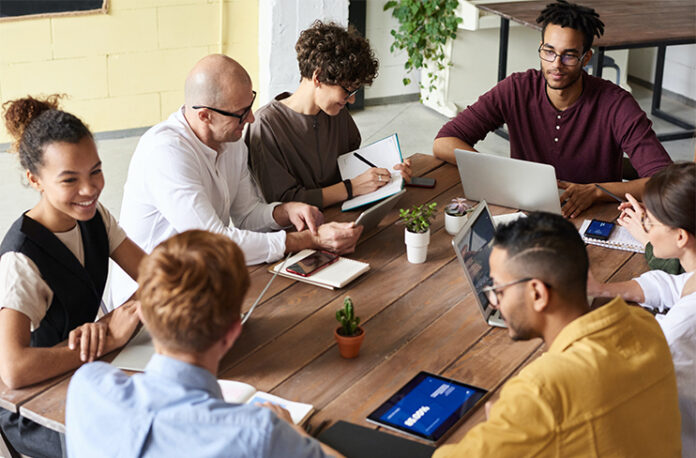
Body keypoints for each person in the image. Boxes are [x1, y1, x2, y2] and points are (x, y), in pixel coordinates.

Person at [111, 54, 362, 306]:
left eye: (250, 105)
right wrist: (308, 240)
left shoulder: (231, 143)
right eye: (241, 113)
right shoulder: (166, 151)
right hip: (144, 299)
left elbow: (247, 215)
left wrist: (285, 211)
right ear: (205, 115)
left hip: (202, 282)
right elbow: (214, 243)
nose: (251, 119)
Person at [66, 230, 341, 457]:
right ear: (234, 331)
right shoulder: (261, 434)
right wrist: (293, 432)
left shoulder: (87, 388)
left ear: (145, 316)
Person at [434, 212, 681, 457]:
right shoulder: (642, 325)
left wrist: (510, 416)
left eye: (497, 289)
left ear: (537, 294)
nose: (495, 302)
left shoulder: (541, 392)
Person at [432, 0, 672, 219]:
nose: (556, 64)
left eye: (568, 55)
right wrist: (499, 172)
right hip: (526, 214)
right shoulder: (517, 88)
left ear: (586, 58)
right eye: (549, 52)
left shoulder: (616, 104)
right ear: (541, 48)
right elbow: (443, 142)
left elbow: (665, 182)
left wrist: (596, 192)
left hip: (594, 219)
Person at [0, 96, 141, 458]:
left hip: (84, 374)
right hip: (32, 404)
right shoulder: (21, 258)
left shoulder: (94, 217)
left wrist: (111, 326)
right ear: (35, 180)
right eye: (69, 179)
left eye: (95, 171)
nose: (89, 189)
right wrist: (106, 339)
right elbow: (13, 370)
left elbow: (154, 275)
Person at [246, 21, 412, 209]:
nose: (351, 100)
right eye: (347, 91)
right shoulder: (266, 125)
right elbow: (282, 203)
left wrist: (389, 170)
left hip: (342, 215)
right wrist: (350, 188)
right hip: (297, 231)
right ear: (318, 77)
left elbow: (350, 164)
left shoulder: (336, 113)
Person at [588, 162, 695, 453]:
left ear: (681, 237)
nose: (646, 228)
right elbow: (674, 286)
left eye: (652, 223)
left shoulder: (682, 327)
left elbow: (632, 368)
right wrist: (604, 290)